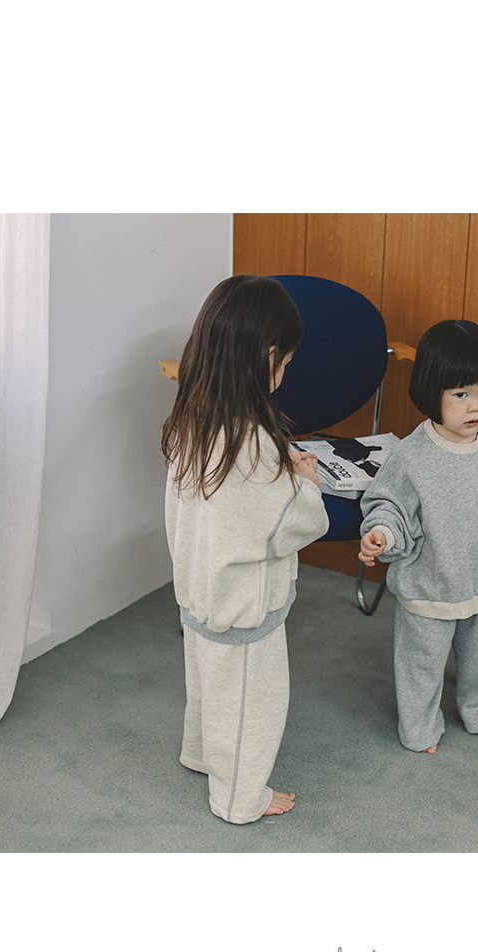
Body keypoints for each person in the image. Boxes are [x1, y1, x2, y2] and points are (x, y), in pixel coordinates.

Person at [162, 275, 329, 823]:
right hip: (242, 605)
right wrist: (306, 483)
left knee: (207, 683)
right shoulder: (251, 446)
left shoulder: (192, 420)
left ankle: (199, 754)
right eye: (286, 364)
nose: (285, 375)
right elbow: (288, 524)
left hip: (200, 589)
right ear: (268, 358)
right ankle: (239, 798)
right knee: (251, 703)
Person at [358, 319, 478, 754]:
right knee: (422, 664)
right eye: (461, 395)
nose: (477, 407)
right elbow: (389, 505)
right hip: (430, 583)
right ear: (432, 391)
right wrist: (381, 534)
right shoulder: (412, 455)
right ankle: (419, 726)